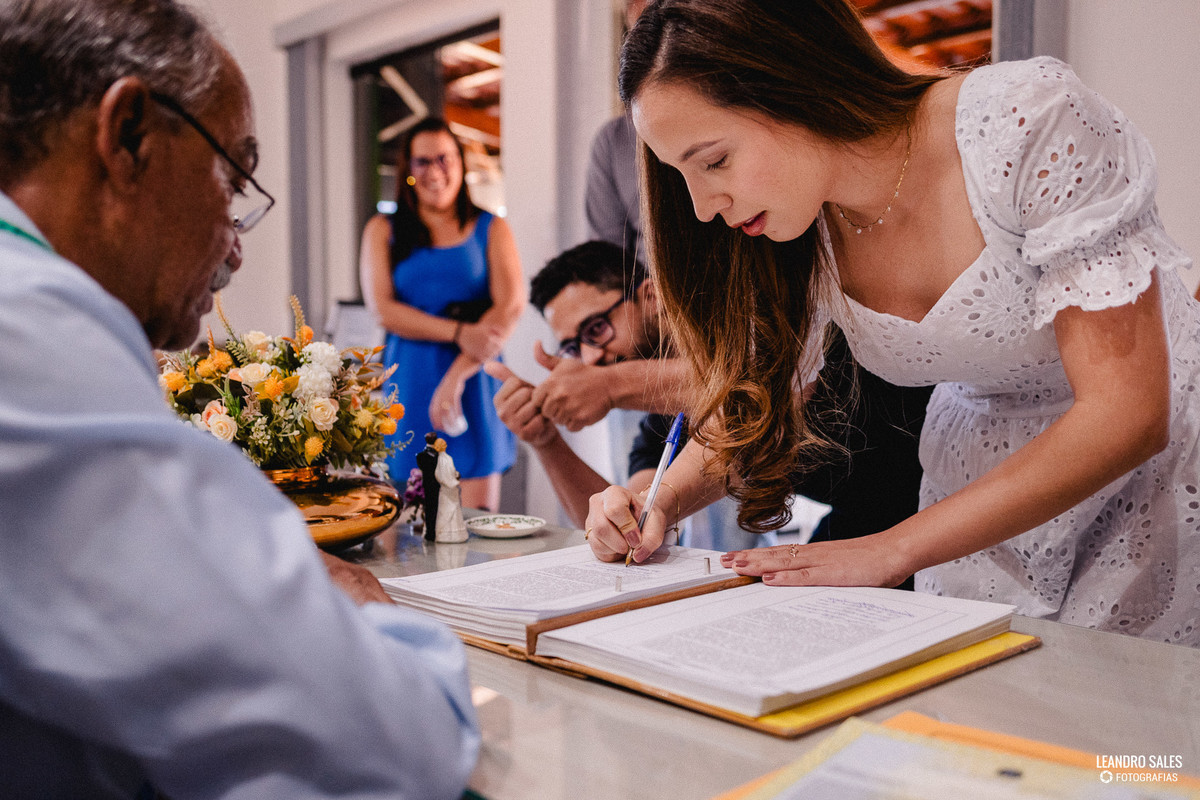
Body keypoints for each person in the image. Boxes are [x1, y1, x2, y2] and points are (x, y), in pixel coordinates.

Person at [586, 0, 1200, 646]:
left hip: (1149, 472)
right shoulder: (796, 225)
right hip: (976, 483)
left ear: (794, 82)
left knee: (1124, 739)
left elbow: (1127, 414)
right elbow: (761, 398)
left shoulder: (1027, 121)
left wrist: (892, 549)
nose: (704, 208)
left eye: (712, 162)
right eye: (681, 176)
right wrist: (656, 501)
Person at [0, 1, 478, 796]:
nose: (235, 244)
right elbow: (395, 747)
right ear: (128, 136)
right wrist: (367, 616)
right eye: (233, 175)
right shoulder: (31, 338)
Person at [488, 241, 930, 570]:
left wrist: (609, 386)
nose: (589, 357)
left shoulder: (748, 322)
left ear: (651, 296)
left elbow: (759, 383)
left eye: (596, 329)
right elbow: (637, 517)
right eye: (571, 346)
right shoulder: (666, 414)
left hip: (936, 493)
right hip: (869, 520)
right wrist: (547, 443)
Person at [360, 116, 524, 512]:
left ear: (461, 162)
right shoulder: (383, 229)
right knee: (410, 522)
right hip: (412, 378)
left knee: (478, 523)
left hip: (475, 379)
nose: (436, 171)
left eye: (445, 158)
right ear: (408, 170)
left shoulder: (491, 226)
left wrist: (458, 373)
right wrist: (456, 332)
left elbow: (510, 306)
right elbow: (382, 308)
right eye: (423, 161)